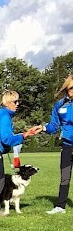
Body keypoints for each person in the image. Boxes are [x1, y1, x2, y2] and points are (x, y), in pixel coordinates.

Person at [0, 90, 40, 216]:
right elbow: (7, 139)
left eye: (18, 101)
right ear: (7, 102)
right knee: (0, 180)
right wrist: (24, 135)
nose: (18, 104)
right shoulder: (5, 116)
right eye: (15, 101)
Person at [43, 75, 73, 214]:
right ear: (66, 88)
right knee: (64, 177)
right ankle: (60, 207)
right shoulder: (60, 105)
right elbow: (54, 126)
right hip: (67, 145)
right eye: (71, 88)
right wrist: (43, 128)